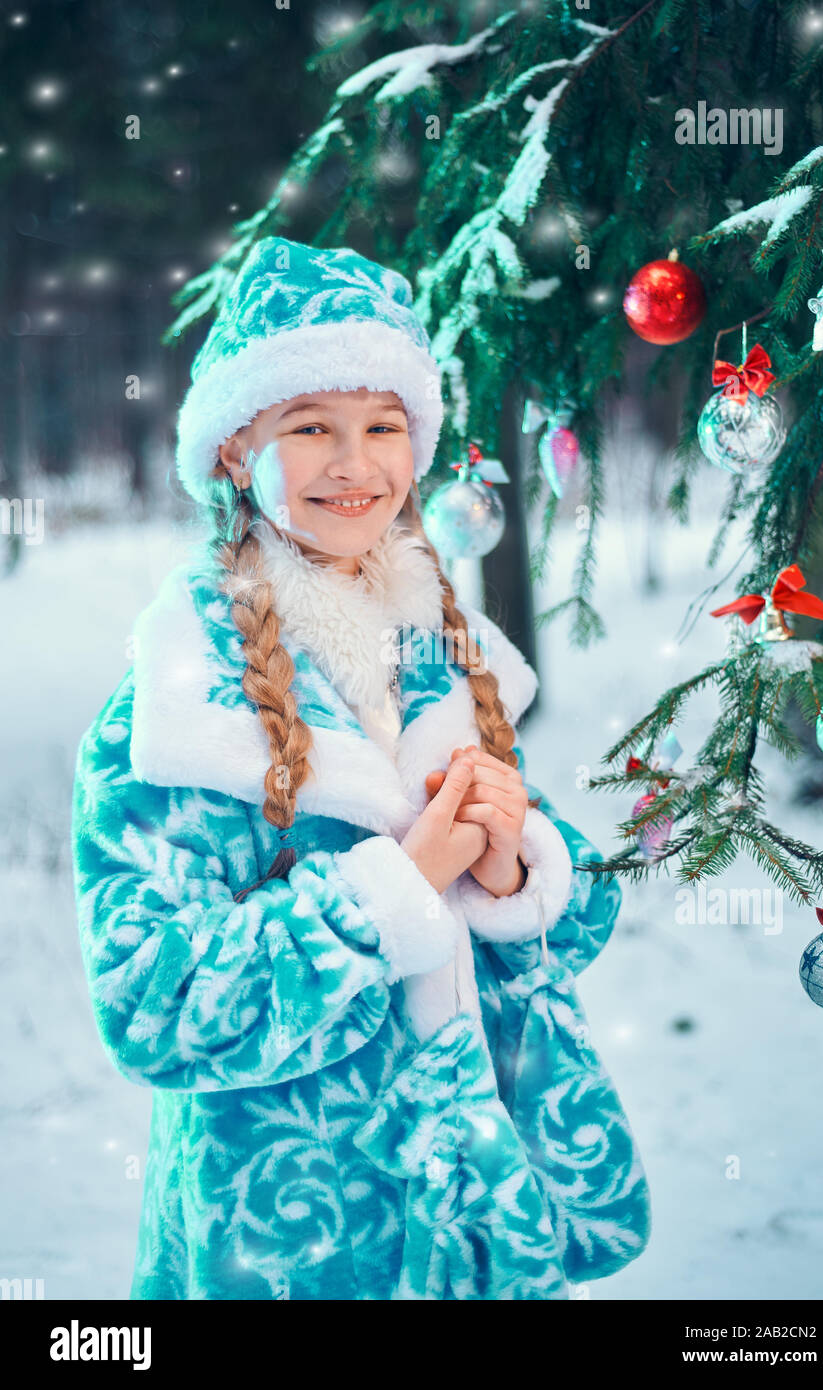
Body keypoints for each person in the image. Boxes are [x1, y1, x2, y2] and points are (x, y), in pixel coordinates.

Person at [70, 237, 651, 1301]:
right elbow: (150, 1003)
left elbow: (576, 923)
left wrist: (518, 869)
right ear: (238, 450)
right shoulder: (174, 709)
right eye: (311, 428)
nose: (356, 463)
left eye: (384, 425)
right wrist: (395, 885)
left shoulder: (441, 657)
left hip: (467, 1212)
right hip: (291, 1238)